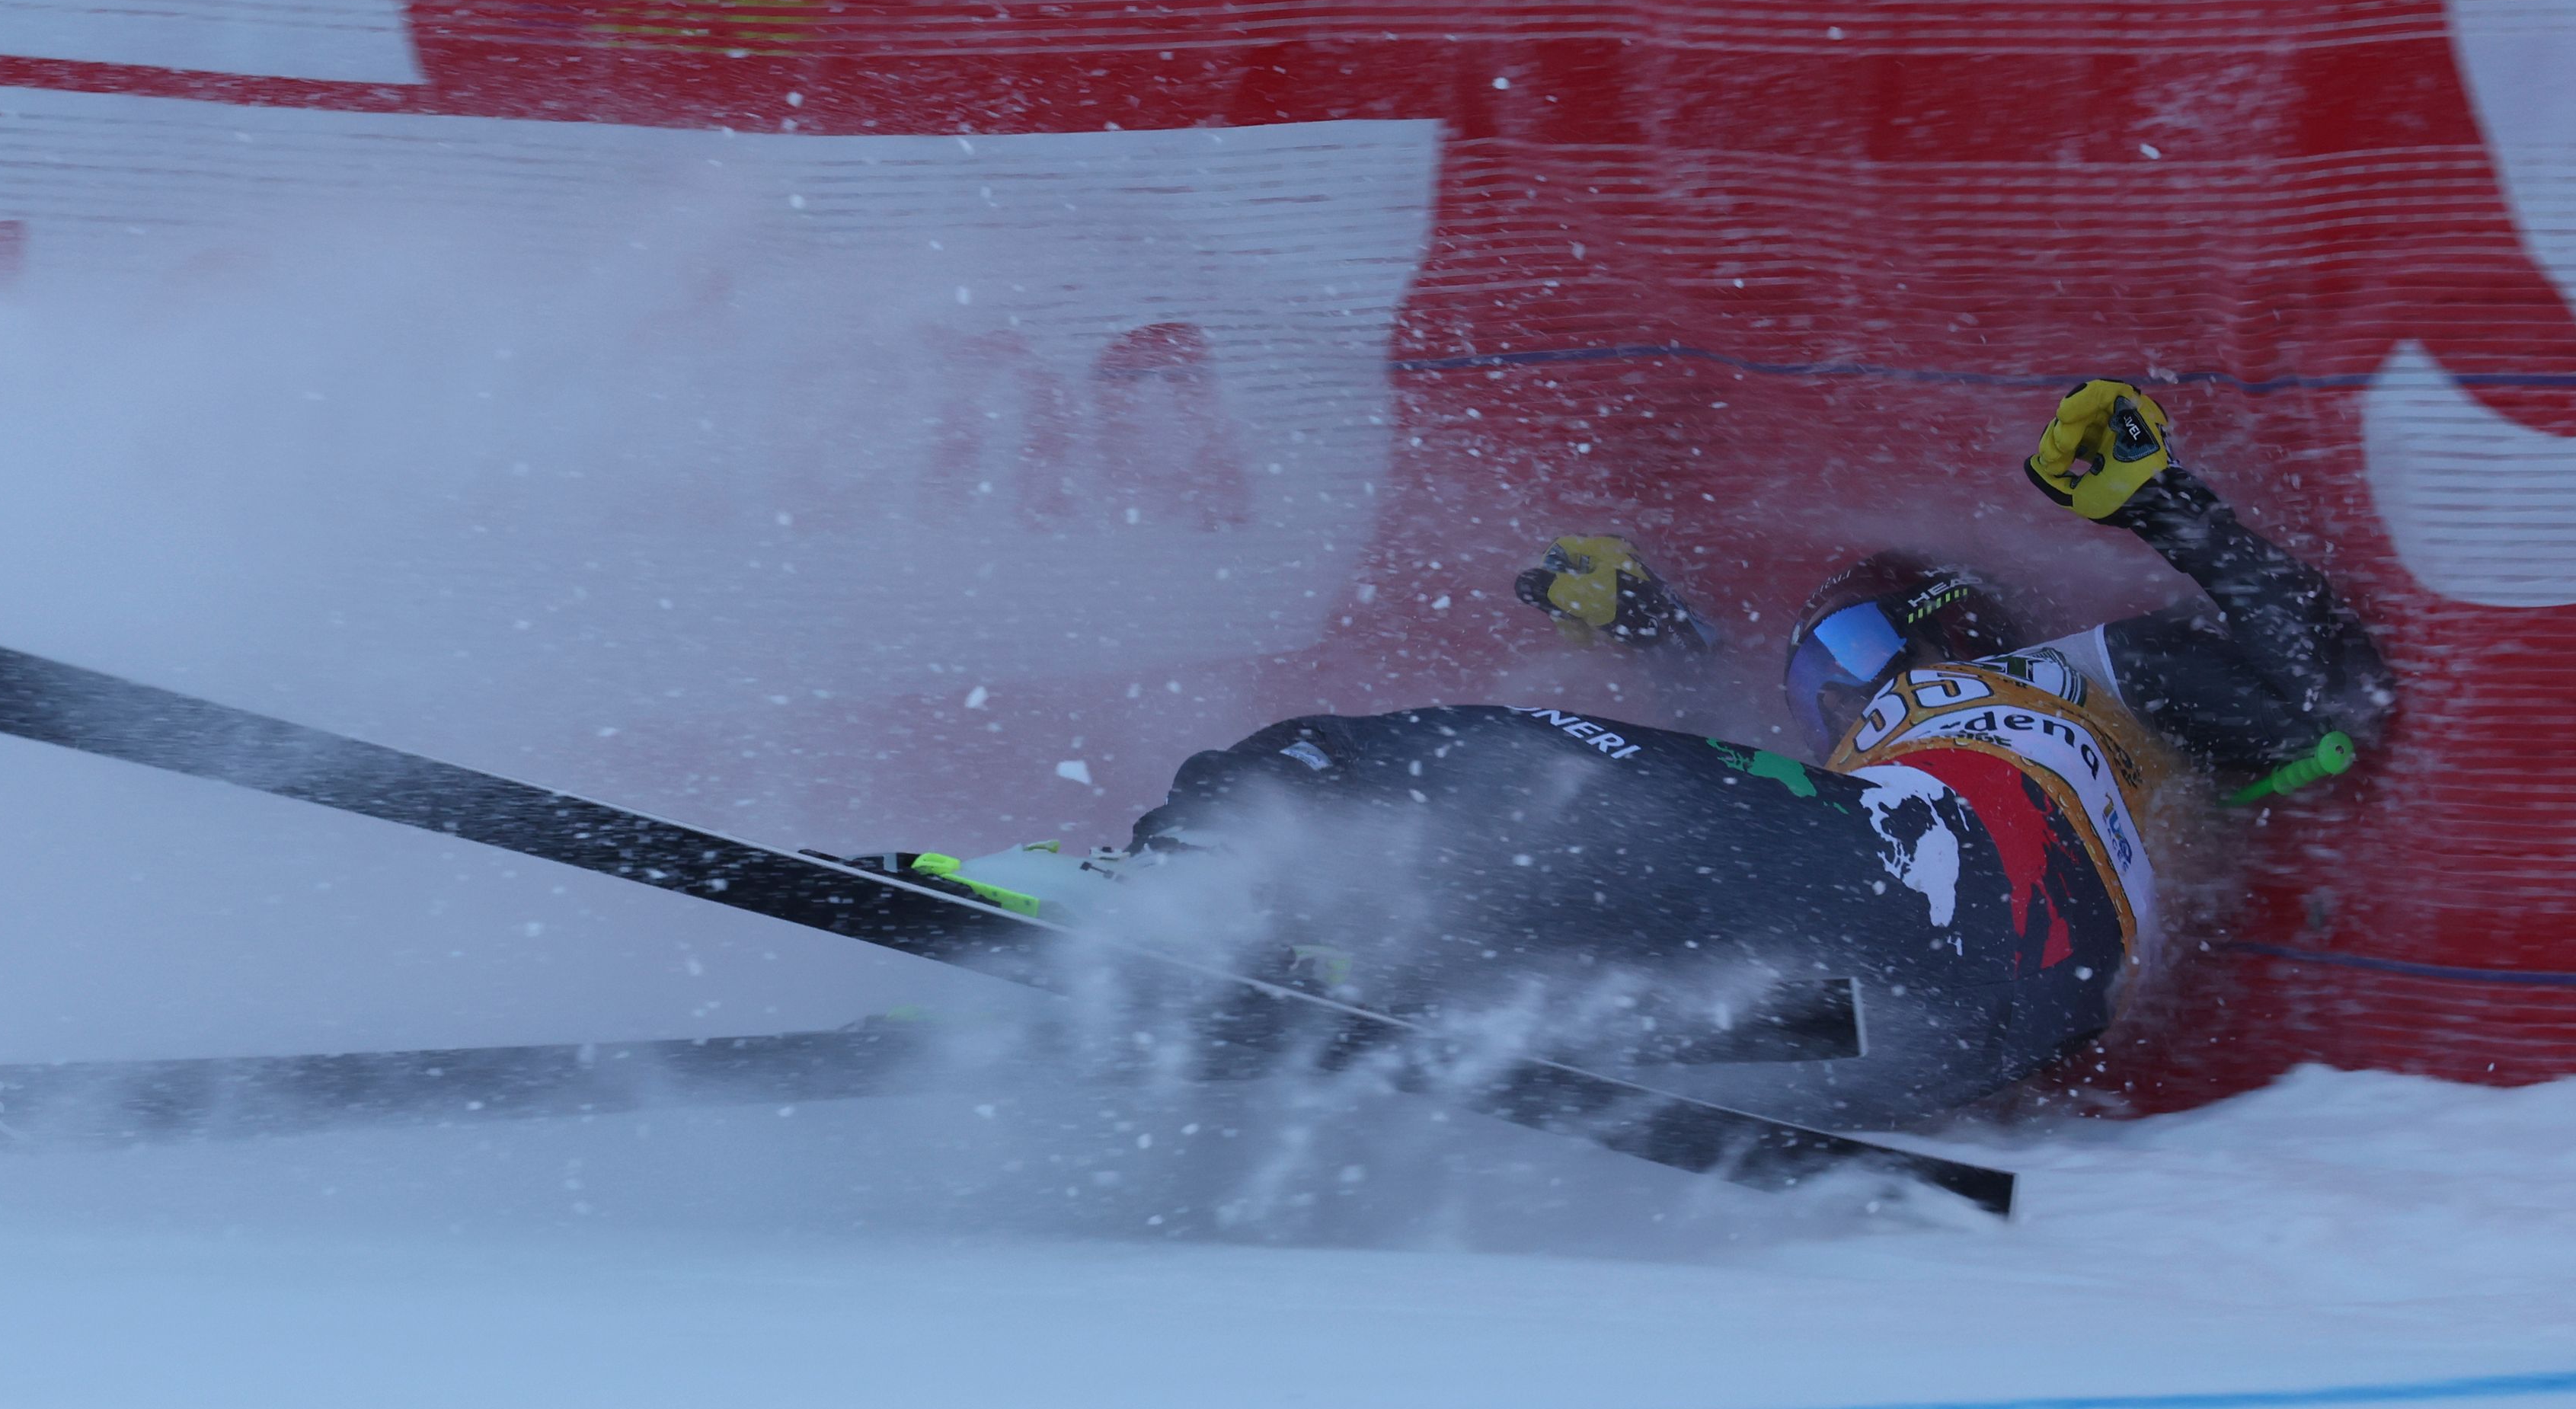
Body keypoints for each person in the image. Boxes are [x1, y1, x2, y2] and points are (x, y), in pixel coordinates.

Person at [890, 379, 2395, 1127]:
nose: (1843, 698)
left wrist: (2159, 507)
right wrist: (1659, 630)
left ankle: (1156, 893)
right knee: (1613, 852)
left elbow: (2324, 712)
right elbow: (1733, 785)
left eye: (1856, 661)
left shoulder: (2070, 679)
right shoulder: (1880, 757)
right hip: (1954, 1009)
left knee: (1405, 764)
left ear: (1945, 630)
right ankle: (1358, 963)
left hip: (1925, 898)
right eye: (1829, 681)